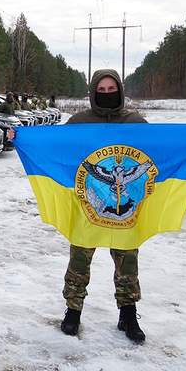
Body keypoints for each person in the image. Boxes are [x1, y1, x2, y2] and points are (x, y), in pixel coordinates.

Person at [63, 69, 147, 342]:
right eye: (102, 90)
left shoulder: (135, 122)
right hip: (89, 204)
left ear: (120, 91)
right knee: (79, 260)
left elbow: (158, 152)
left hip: (126, 210)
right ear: (93, 92)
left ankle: (128, 313)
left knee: (127, 261)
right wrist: (22, 138)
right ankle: (73, 310)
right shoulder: (79, 122)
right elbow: (57, 150)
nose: (107, 94)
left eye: (112, 90)